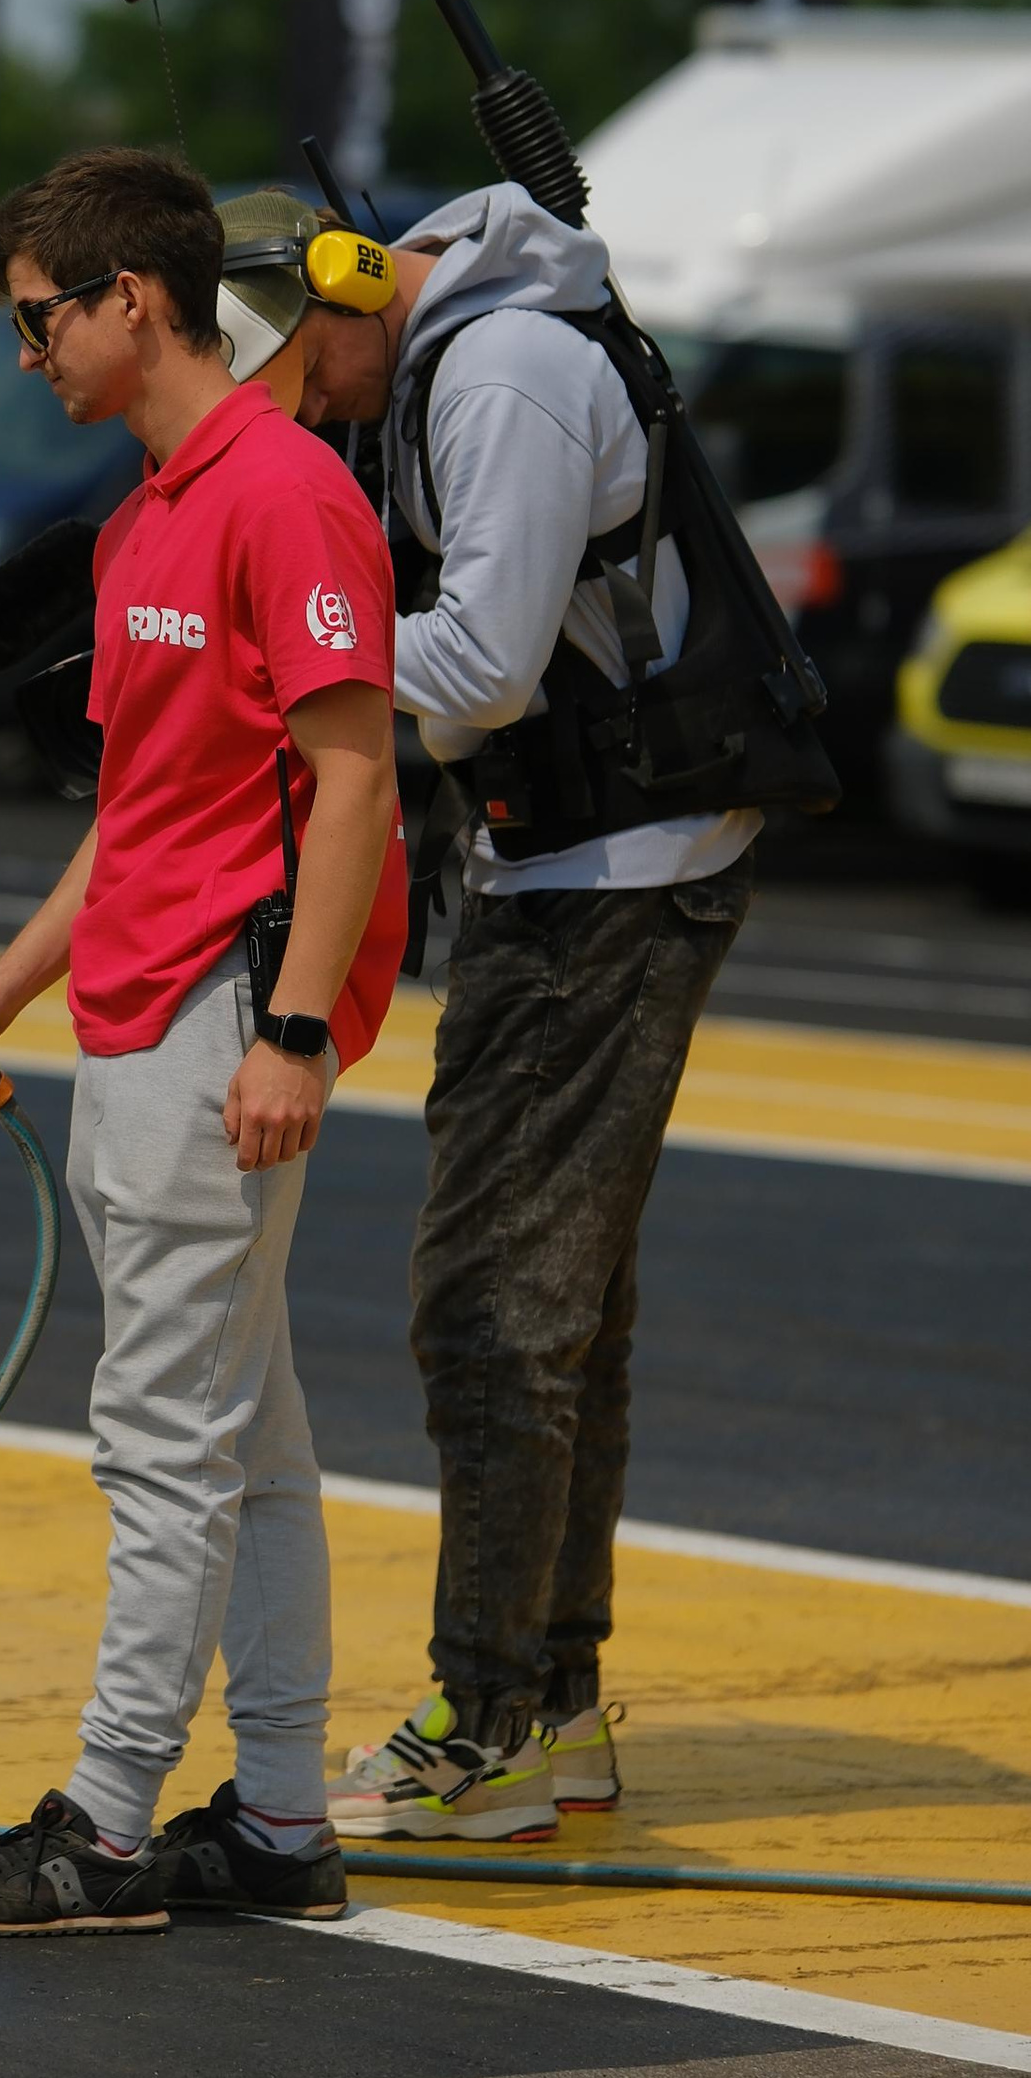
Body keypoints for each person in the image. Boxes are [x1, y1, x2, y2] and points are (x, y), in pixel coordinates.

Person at [0, 150, 405, 1936]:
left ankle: (105, 1827)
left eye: (40, 318)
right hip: (134, 1005)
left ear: (133, 301)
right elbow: (138, 810)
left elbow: (352, 782)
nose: (27, 351)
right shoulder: (141, 516)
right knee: (246, 1440)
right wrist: (9, 985)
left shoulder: (288, 496)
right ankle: (275, 1822)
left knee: (163, 1439)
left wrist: (293, 1033)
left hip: (222, 1022)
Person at [278, 179, 759, 1845]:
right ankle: (548, 1704)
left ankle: (485, 1718)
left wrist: (285, 651)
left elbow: (478, 666)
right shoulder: (457, 364)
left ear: (348, 285)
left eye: (295, 362)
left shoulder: (497, 376)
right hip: (573, 857)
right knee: (566, 1305)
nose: (299, 402)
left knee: (488, 1302)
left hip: (610, 873)